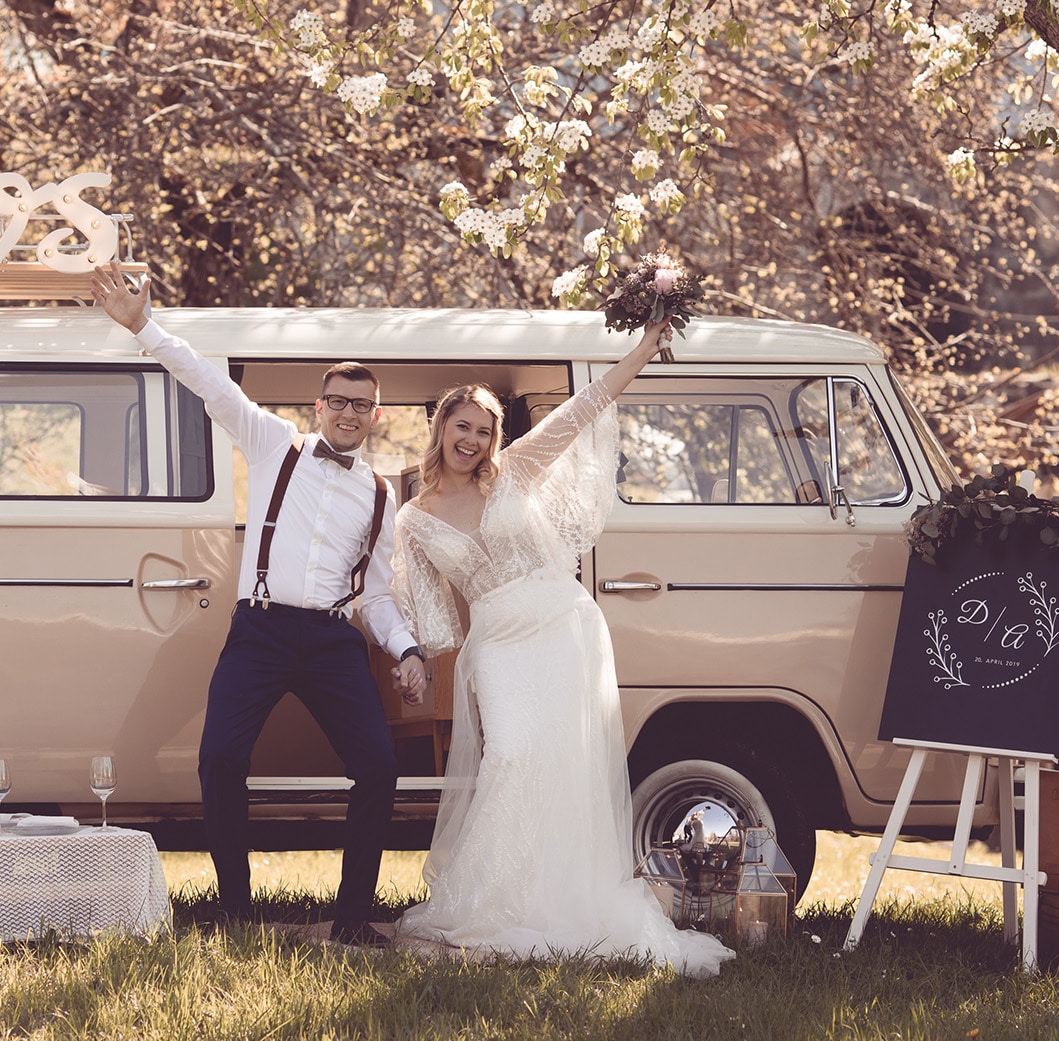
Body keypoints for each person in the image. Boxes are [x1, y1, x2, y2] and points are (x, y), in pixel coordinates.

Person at [91, 262, 428, 947]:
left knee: (378, 767)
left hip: (334, 641)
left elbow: (377, 593)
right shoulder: (277, 444)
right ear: (319, 404)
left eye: (361, 403)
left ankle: (355, 914)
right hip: (261, 629)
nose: (348, 411)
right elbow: (208, 381)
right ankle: (237, 910)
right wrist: (143, 327)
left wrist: (409, 648)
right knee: (219, 758)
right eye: (338, 399)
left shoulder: (382, 496)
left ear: (376, 414)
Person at [391, 320, 735, 977]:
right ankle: (498, 898)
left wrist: (639, 351)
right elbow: (433, 615)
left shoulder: (515, 470)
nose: (471, 440)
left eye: (482, 430)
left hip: (561, 624)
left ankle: (562, 900)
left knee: (564, 764)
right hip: (498, 641)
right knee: (513, 755)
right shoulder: (413, 517)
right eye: (461, 426)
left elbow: (585, 407)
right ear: (440, 428)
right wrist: (413, 661)